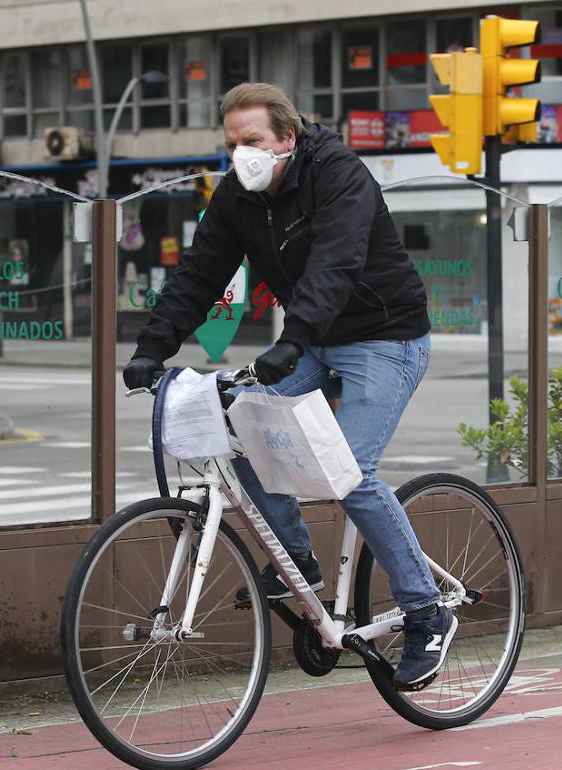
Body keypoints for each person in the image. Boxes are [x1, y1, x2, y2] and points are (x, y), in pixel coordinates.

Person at [122, 83, 453, 690]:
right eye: (230, 144)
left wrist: (292, 339)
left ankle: (426, 610)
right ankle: (299, 560)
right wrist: (152, 346)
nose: (239, 154)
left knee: (349, 469)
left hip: (386, 337)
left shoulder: (338, 173)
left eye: (252, 141)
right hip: (313, 339)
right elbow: (199, 274)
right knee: (239, 429)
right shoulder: (238, 197)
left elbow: (337, 261)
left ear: (288, 138)